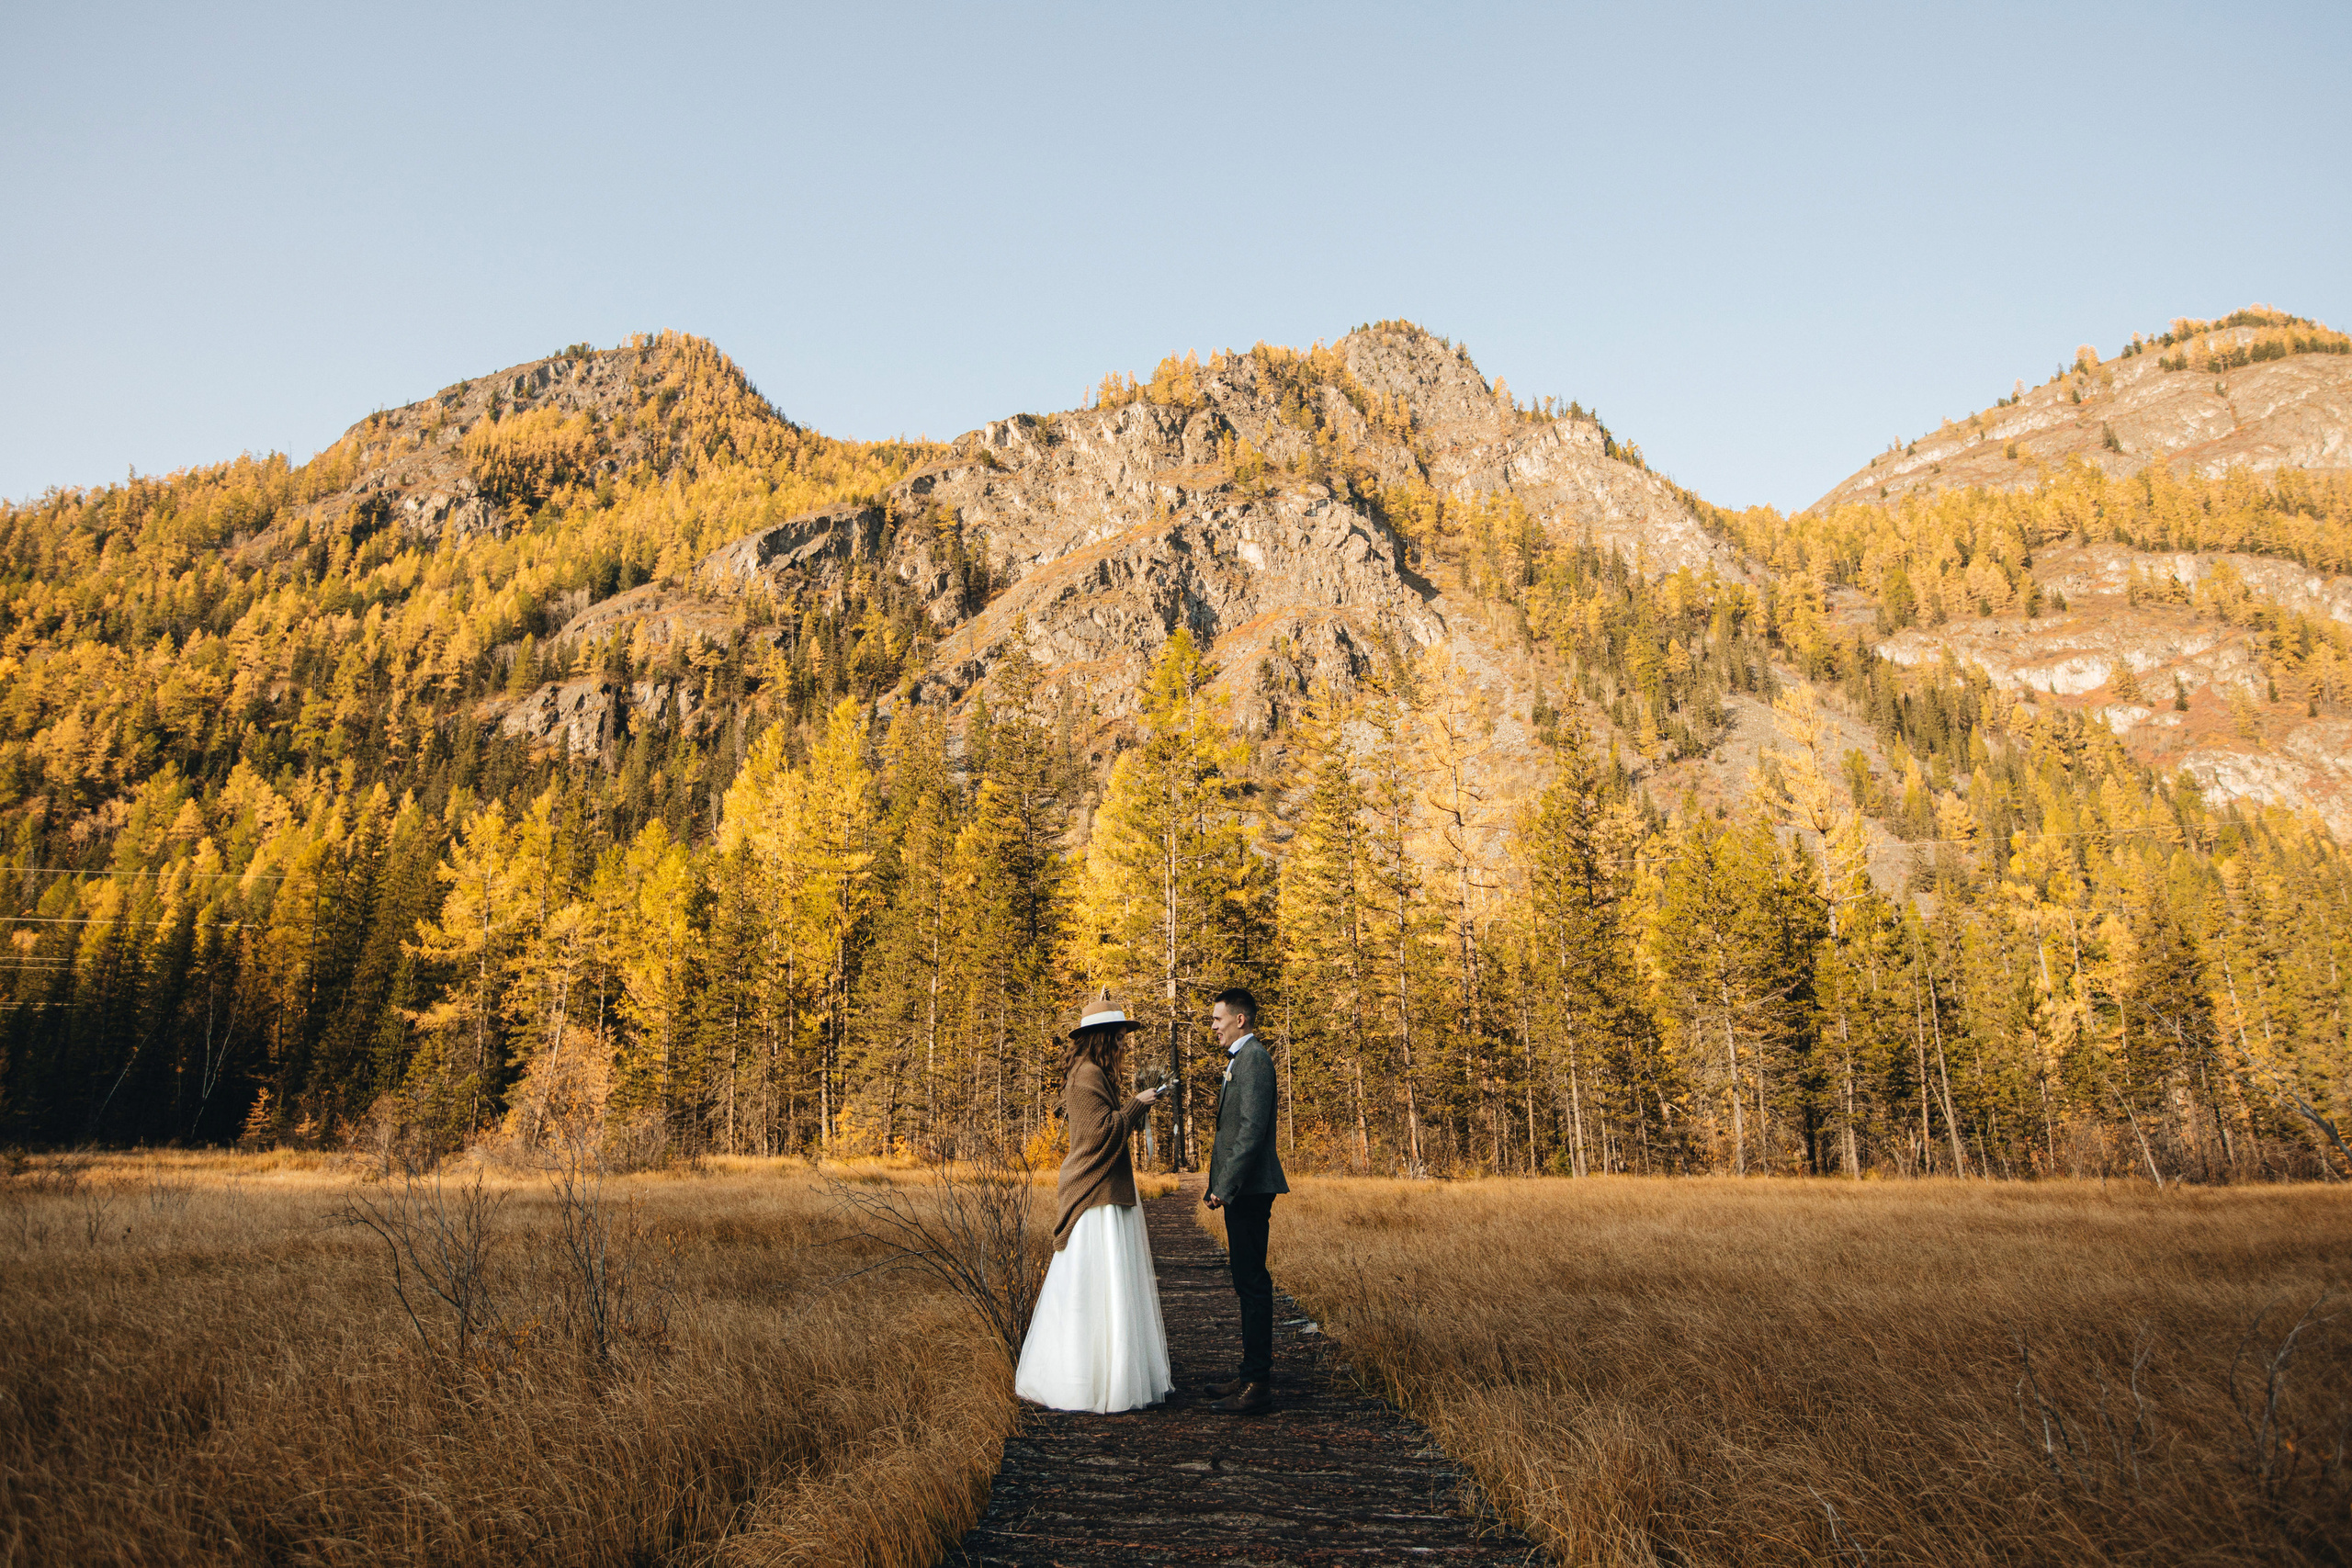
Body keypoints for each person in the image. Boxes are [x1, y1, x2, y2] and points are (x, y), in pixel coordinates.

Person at [1012, 988, 1173, 1414]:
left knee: (1104, 1292)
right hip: (1095, 1194)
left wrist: (1134, 1106)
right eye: (1119, 1036)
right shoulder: (1087, 1076)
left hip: (1107, 1191)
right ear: (1103, 1037)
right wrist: (1137, 1106)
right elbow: (1098, 1136)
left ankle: (1108, 1376)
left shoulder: (1094, 1074)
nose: (1123, 1043)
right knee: (1092, 1291)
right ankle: (1088, 1382)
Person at [1200, 986, 1287, 1414]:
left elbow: (1251, 1131)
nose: (1212, 1026)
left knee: (1252, 1283)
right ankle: (1249, 1373)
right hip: (1244, 1188)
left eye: (1217, 1019)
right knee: (1245, 1281)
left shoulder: (1254, 1059)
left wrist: (1225, 1185)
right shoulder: (1242, 1060)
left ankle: (1258, 1385)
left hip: (1251, 1189)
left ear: (1240, 1020)